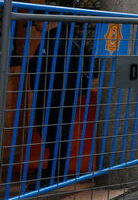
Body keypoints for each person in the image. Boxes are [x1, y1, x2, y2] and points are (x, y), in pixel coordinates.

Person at [27, 20, 91, 185]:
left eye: (36, 20)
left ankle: (54, 174)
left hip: (54, 93)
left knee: (54, 132)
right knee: (55, 132)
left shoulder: (57, 40)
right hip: (58, 93)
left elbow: (39, 67)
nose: (34, 25)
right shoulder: (66, 38)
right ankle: (54, 171)